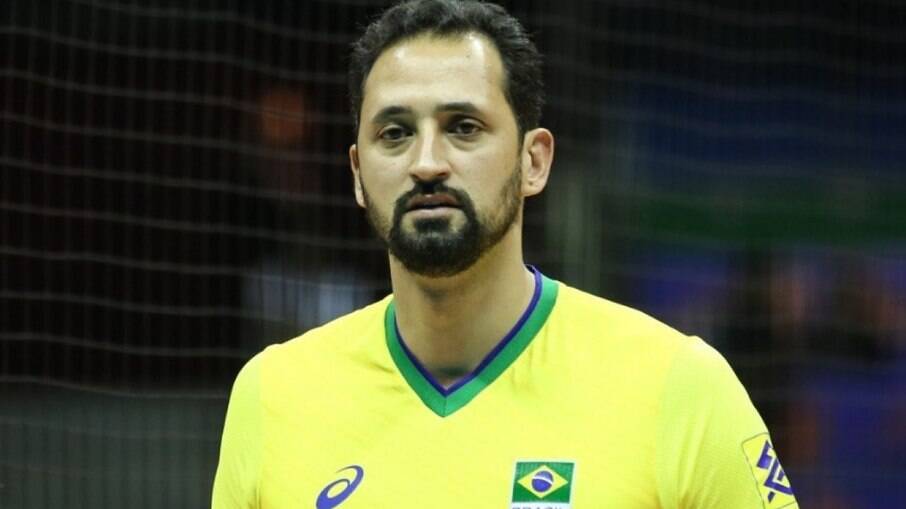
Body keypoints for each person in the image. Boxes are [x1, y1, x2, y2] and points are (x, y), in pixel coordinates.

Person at [212, 1, 798, 507]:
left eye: (463, 126)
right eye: (394, 133)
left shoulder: (681, 387)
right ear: (359, 174)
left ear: (533, 160)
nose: (427, 162)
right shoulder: (272, 395)